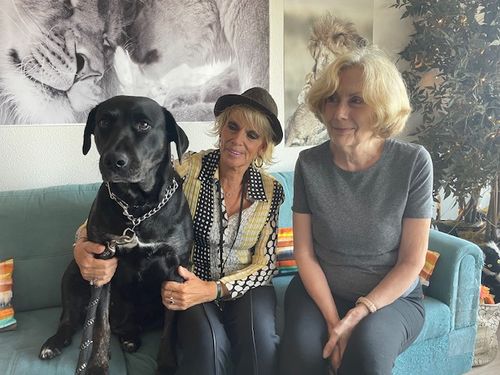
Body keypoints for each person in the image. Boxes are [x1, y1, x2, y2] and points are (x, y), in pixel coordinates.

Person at [74, 87, 285, 375]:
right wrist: (81, 242)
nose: (237, 140)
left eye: (252, 135)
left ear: (263, 146)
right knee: (207, 346)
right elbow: (126, 210)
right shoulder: (187, 168)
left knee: (261, 346)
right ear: (220, 129)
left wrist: (215, 289)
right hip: (189, 285)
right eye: (232, 127)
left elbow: (266, 263)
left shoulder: (273, 191)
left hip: (245, 289)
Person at [279, 46, 433, 375]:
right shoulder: (310, 163)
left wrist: (358, 314)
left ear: (381, 107)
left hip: (392, 300)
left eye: (356, 101)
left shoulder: (412, 163)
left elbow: (411, 261)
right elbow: (304, 253)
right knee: (303, 357)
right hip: (318, 293)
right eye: (332, 99)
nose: (339, 114)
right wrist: (336, 323)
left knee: (367, 351)